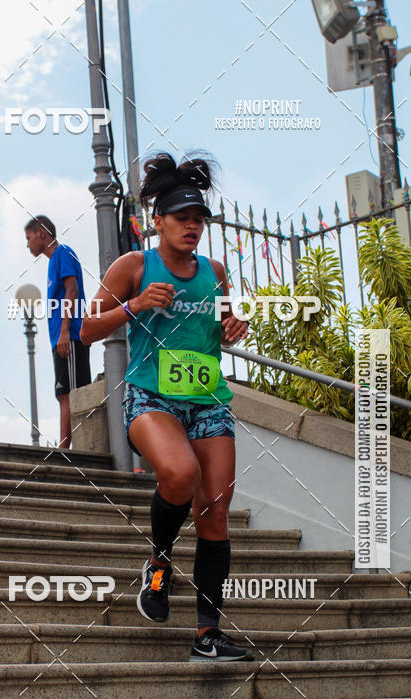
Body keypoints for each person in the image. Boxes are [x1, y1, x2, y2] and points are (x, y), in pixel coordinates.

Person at [81, 152, 254, 661]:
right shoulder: (134, 266)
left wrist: (232, 326)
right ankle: (158, 562)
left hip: (207, 400)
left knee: (215, 511)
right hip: (151, 397)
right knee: (178, 473)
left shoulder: (215, 272)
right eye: (182, 218)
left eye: (199, 219)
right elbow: (87, 329)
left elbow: (221, 328)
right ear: (157, 222)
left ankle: (207, 634)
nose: (192, 227)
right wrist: (134, 304)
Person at [25, 215, 91, 448]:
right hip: (61, 338)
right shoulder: (53, 262)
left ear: (42, 233)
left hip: (70, 336)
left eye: (29, 237)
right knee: (64, 394)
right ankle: (66, 447)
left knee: (72, 394)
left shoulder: (63, 252)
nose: (27, 244)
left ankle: (68, 450)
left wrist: (64, 331)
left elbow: (71, 291)